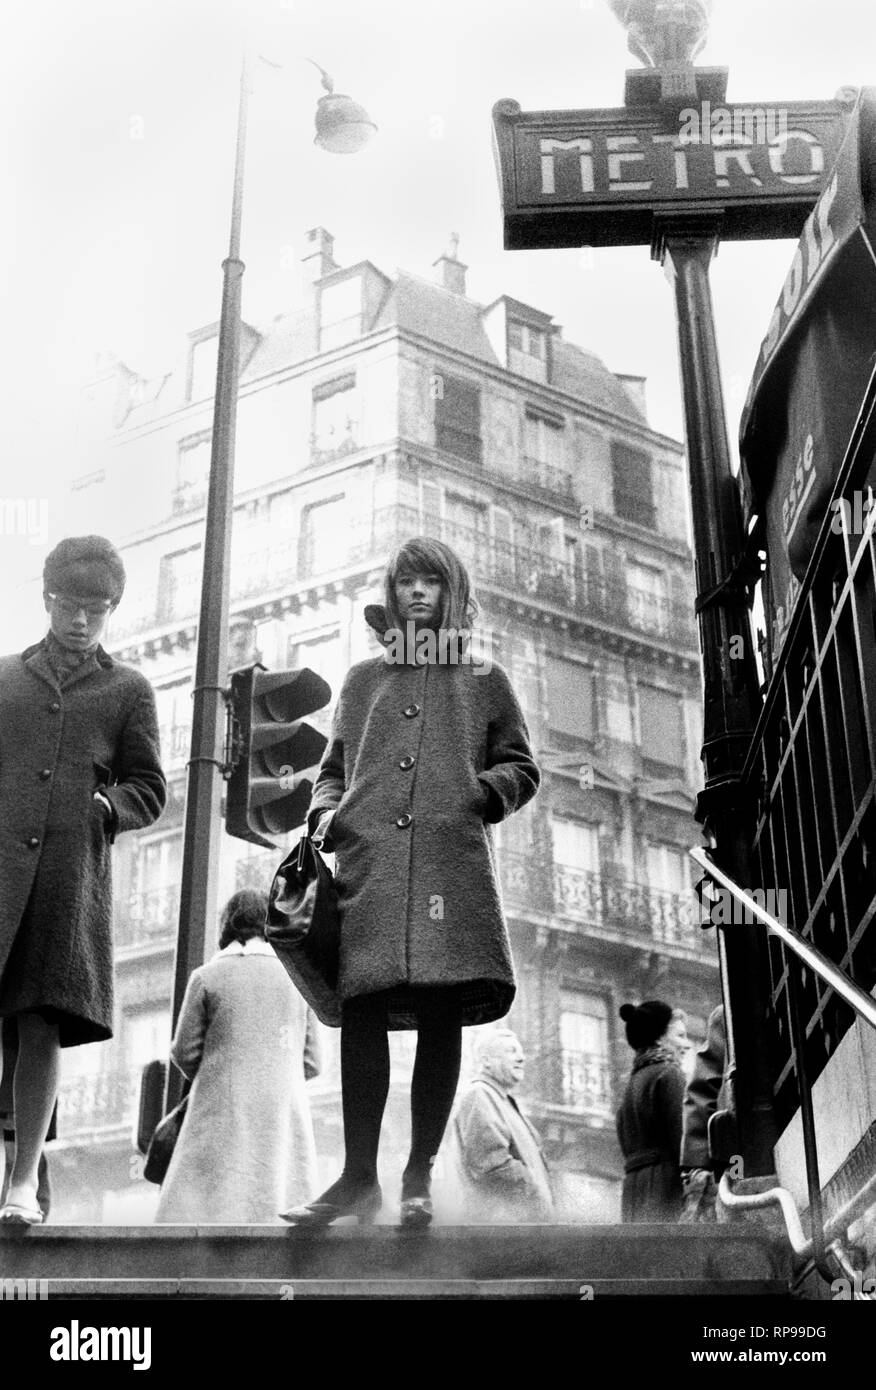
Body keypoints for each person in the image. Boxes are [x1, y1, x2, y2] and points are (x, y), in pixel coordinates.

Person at [282, 537, 540, 1229]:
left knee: (441, 1010)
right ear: (392, 592)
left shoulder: (483, 677)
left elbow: (521, 763)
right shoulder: (364, 680)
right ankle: (359, 1176)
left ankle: (418, 1173)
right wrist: (326, 814)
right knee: (361, 1010)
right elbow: (333, 767)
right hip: (371, 862)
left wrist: (482, 793)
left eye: (430, 581)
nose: (416, 593)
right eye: (405, 582)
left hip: (449, 865)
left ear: (450, 591)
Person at [0, 536, 166, 1225]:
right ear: (47, 601)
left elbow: (150, 786)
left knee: (38, 1021)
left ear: (111, 611)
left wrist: (108, 808)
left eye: (96, 611)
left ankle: (20, 1181)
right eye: (70, 607)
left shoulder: (128, 689)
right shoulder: (5, 677)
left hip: (69, 879)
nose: (81, 621)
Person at [155, 890, 321, 1224]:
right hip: (281, 1113)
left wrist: (218, 1067)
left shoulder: (207, 977)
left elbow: (183, 1052)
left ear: (227, 927)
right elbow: (314, 1061)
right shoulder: (298, 980)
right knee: (280, 1205)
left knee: (212, 1212)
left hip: (219, 1110)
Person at [442, 1028, 553, 1223]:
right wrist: (540, 1201)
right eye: (511, 1051)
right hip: (500, 1231)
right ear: (486, 1061)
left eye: (520, 1051)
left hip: (518, 1228)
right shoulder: (479, 1095)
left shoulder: (500, 1100)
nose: (521, 1058)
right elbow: (492, 1165)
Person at [615, 1000, 689, 1222]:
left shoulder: (633, 1082)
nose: (686, 1045)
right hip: (665, 1188)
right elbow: (683, 1143)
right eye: (680, 1036)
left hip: (633, 1193)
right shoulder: (670, 1074)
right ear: (659, 1037)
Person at [679, 1004, 727, 1222]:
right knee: (736, 1179)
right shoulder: (727, 1016)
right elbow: (703, 1090)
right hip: (739, 1150)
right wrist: (698, 1169)